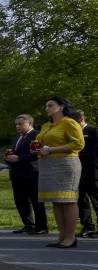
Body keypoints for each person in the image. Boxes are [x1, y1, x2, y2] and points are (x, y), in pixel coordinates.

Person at [36, 97, 85, 247]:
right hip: (48, 164)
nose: (47, 108)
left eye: (51, 105)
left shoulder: (69, 122)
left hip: (65, 164)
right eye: (46, 106)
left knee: (67, 199)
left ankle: (70, 237)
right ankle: (61, 236)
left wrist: (51, 149)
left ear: (61, 106)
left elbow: (78, 144)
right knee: (56, 201)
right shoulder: (46, 125)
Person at [5, 114, 45, 234]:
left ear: (30, 124)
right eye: (16, 124)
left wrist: (19, 158)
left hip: (31, 172)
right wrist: (8, 158)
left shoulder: (37, 135)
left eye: (20, 124)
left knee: (36, 201)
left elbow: (36, 153)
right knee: (21, 201)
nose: (17, 126)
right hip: (17, 174)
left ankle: (41, 227)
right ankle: (29, 225)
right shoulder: (16, 138)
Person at [71, 111, 98, 238]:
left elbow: (95, 150)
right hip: (77, 171)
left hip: (92, 171)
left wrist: (78, 156)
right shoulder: (71, 133)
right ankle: (87, 226)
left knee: (96, 198)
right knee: (81, 200)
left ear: (82, 118)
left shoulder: (93, 131)